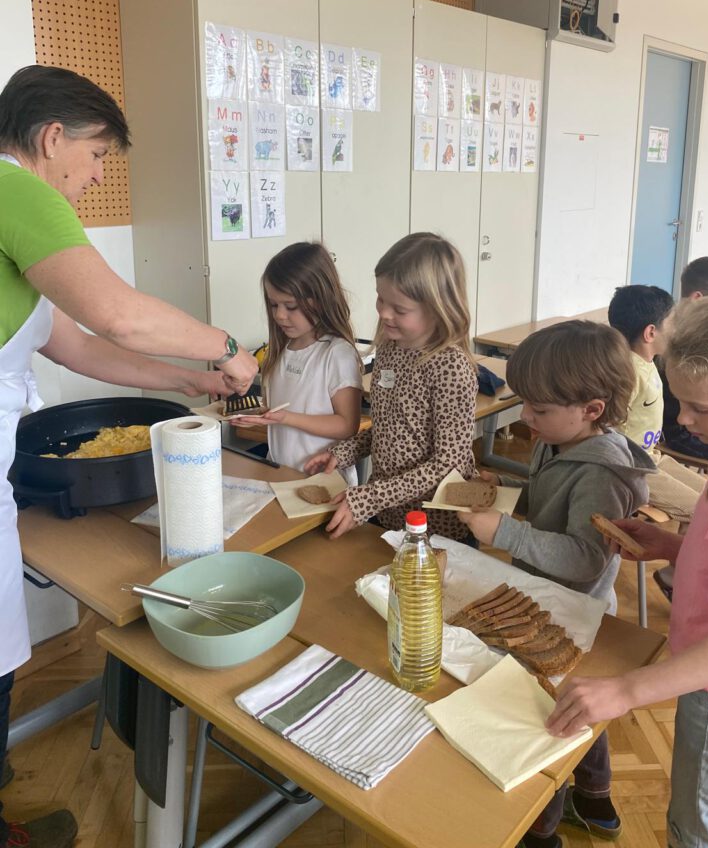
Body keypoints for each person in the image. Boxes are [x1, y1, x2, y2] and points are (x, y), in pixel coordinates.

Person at [0, 64, 258, 848]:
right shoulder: (16, 189)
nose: (96, 176)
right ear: (52, 138)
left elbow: (82, 347)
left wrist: (191, 382)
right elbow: (118, 316)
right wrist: (228, 349)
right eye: (97, 155)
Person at [547, 298, 708, 848]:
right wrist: (676, 547)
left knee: (699, 830)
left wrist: (626, 690)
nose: (683, 421)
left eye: (700, 408)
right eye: (679, 401)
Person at [465, 320, 655, 847]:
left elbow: (585, 560)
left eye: (539, 409)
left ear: (592, 409)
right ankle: (595, 801)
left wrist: (506, 533)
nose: (525, 417)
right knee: (577, 708)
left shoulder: (601, 473)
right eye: (526, 403)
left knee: (547, 724)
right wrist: (506, 488)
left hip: (571, 617)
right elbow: (548, 497)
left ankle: (541, 832)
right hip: (547, 601)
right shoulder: (561, 437)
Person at [305, 232, 478, 542]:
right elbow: (391, 428)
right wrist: (344, 452)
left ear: (438, 308)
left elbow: (447, 464)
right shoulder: (388, 348)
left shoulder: (450, 367)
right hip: (388, 517)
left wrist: (369, 498)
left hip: (435, 530)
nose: (384, 313)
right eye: (380, 298)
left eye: (399, 309)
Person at [232, 242, 362, 481]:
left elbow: (347, 426)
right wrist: (258, 415)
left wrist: (286, 418)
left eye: (290, 306)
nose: (279, 315)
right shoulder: (280, 350)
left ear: (321, 300)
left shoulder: (336, 353)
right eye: (274, 305)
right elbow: (279, 410)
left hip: (326, 482)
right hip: (282, 474)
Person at [608, 285, 707, 528]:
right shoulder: (627, 373)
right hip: (631, 467)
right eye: (672, 323)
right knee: (707, 512)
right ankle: (683, 554)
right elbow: (604, 429)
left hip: (652, 457)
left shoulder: (646, 360)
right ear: (650, 333)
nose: (676, 330)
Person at [661, 256, 708, 461]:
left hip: (703, 423)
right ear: (698, 298)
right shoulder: (679, 339)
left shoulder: (698, 329)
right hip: (685, 433)